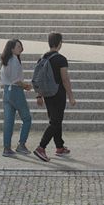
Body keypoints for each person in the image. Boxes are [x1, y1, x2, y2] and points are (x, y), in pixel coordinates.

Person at [31, 32, 75, 161]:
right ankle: (41, 147)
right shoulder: (61, 59)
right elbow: (65, 79)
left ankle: (59, 147)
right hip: (58, 94)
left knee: (55, 120)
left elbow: (39, 78)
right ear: (60, 43)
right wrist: (71, 96)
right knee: (55, 122)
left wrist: (39, 95)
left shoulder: (42, 58)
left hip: (47, 94)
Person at [0, 38, 33, 156]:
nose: (21, 49)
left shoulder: (6, 61)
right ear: (12, 48)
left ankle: (6, 148)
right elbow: (16, 81)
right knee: (27, 118)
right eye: (18, 47)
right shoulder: (14, 60)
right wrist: (26, 86)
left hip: (6, 92)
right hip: (15, 91)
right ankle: (21, 144)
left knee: (8, 121)